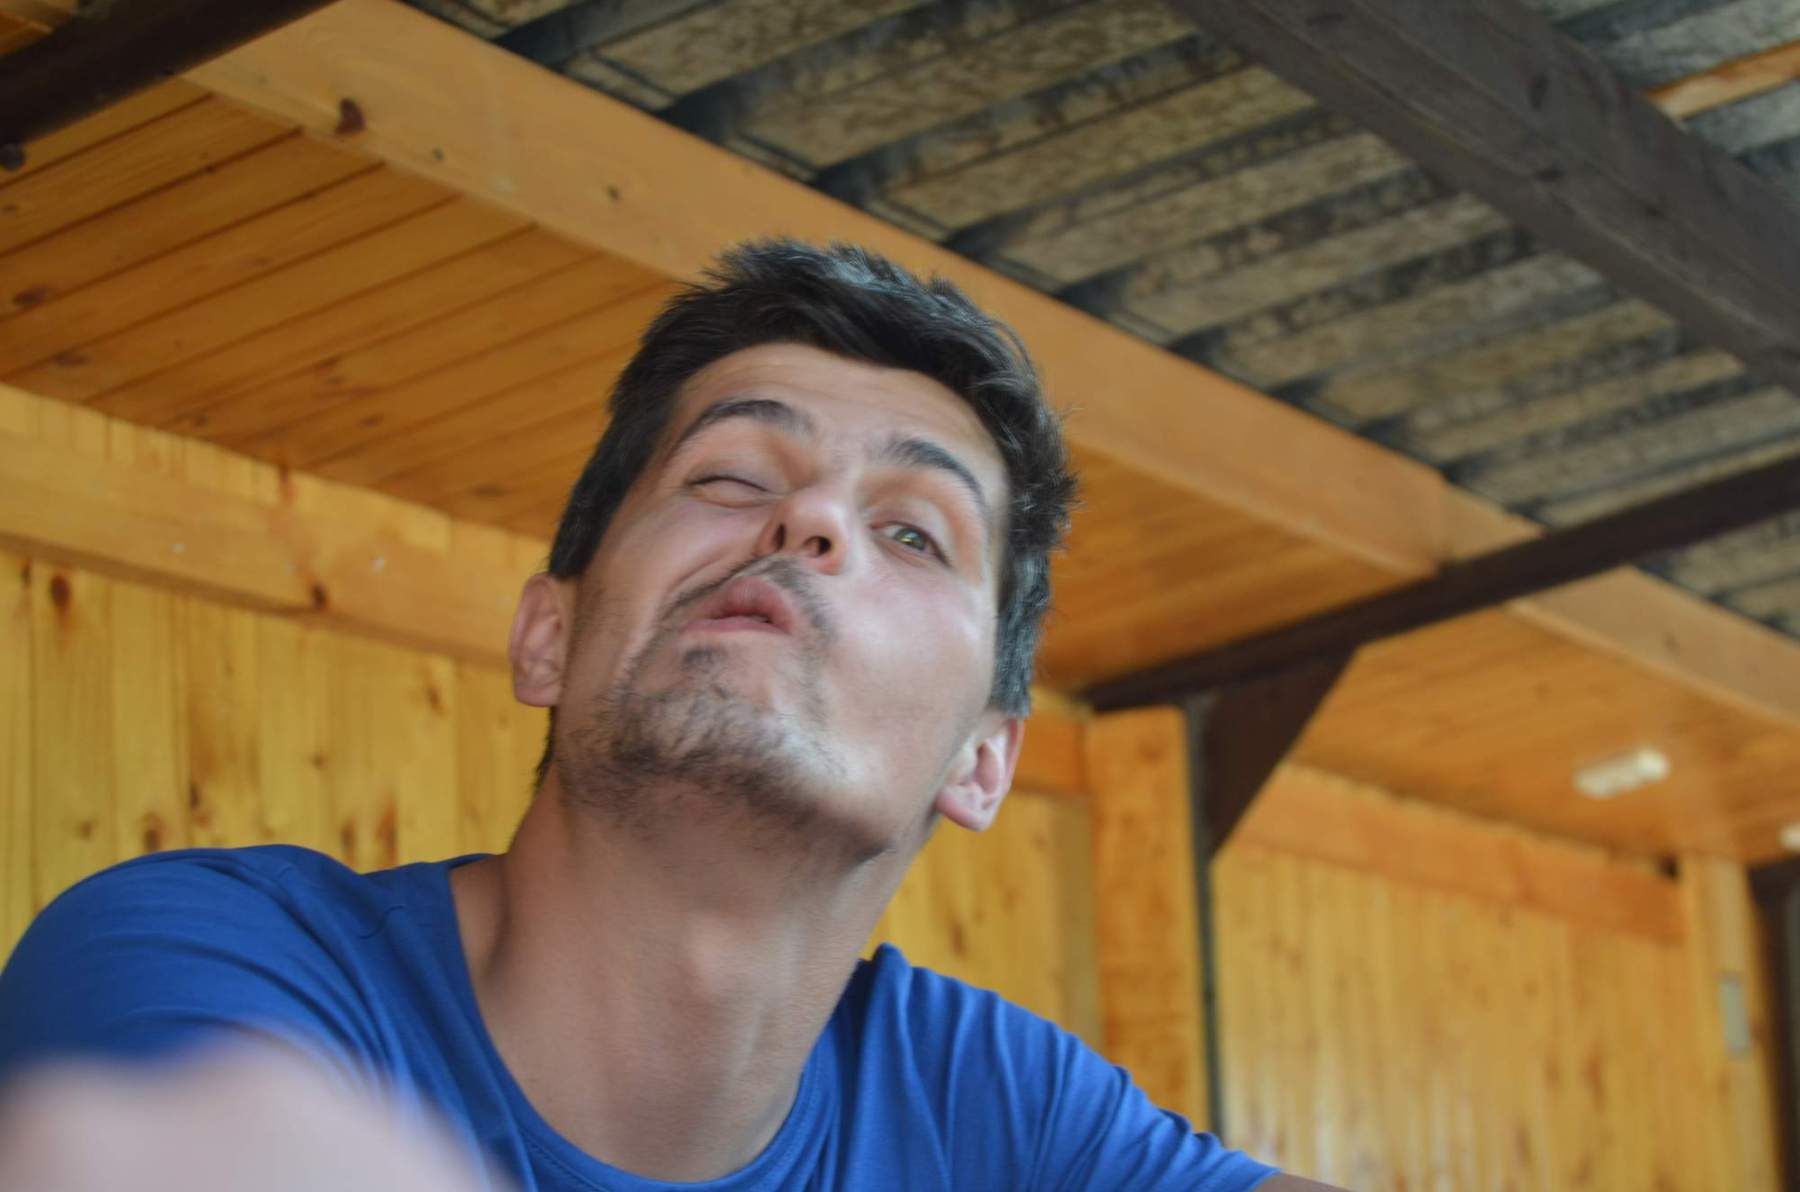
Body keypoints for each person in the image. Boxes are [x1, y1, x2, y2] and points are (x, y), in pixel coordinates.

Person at [0, 241, 1336, 1191]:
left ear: (983, 761)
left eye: (913, 533)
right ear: (551, 634)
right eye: (730, 476)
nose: (807, 519)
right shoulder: (215, 964)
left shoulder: (1004, 1111)